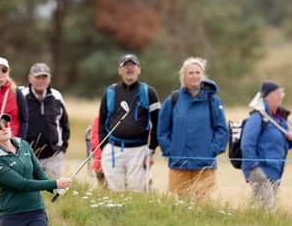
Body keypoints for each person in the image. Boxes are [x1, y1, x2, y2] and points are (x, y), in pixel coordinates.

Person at [157, 57, 228, 199]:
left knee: (203, 206)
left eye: (198, 72)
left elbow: (221, 129)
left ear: (203, 75)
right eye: (190, 73)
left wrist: (212, 150)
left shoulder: (212, 100)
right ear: (183, 76)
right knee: (180, 205)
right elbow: (162, 130)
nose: (194, 76)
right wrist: (171, 150)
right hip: (179, 164)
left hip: (205, 164)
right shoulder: (173, 99)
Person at [97, 54, 160, 191]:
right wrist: (105, 148)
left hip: (139, 151)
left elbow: (157, 124)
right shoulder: (110, 92)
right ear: (120, 71)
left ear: (139, 69)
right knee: (115, 193)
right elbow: (102, 122)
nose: (129, 69)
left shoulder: (149, 92)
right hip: (113, 151)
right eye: (125, 66)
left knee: (137, 193)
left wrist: (151, 150)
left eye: (133, 65)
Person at [241, 81, 292, 210]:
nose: (281, 96)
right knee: (268, 209)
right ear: (267, 96)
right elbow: (247, 145)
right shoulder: (257, 117)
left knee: (263, 209)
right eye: (277, 93)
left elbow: (286, 143)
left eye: (281, 93)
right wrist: (255, 169)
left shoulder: (280, 119)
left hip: (275, 171)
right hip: (260, 171)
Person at [21, 63, 70, 178]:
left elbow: (64, 124)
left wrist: (62, 148)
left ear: (49, 79)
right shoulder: (22, 97)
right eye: (37, 77)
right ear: (30, 78)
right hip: (27, 156)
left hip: (53, 156)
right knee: (30, 191)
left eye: (44, 77)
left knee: (52, 189)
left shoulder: (56, 96)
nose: (41, 81)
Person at [88, 116, 106, 186]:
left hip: (99, 160)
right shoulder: (99, 120)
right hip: (100, 160)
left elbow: (93, 141)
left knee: (102, 186)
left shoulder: (98, 119)